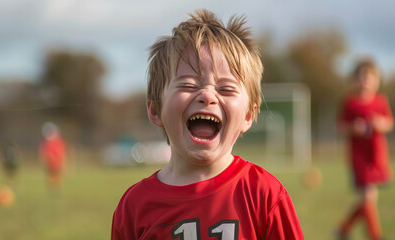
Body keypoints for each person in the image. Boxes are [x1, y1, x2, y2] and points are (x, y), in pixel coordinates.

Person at [112, 9, 303, 239]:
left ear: (248, 117)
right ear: (155, 110)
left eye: (226, 89)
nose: (207, 95)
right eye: (188, 85)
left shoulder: (265, 195)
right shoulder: (134, 206)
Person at [336, 59, 394, 240]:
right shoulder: (351, 102)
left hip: (376, 155)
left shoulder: (381, 101)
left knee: (368, 199)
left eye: (371, 78)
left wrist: (380, 124)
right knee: (369, 196)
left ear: (377, 81)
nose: (367, 82)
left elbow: (389, 123)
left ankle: (344, 229)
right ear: (356, 80)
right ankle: (375, 235)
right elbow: (341, 126)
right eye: (363, 77)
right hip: (359, 156)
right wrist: (354, 127)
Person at [39, 122, 67, 190]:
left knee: (57, 175)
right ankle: (52, 187)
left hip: (57, 162)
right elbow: (43, 153)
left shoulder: (59, 141)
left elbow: (62, 153)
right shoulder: (47, 142)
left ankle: (56, 187)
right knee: (51, 175)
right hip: (51, 162)